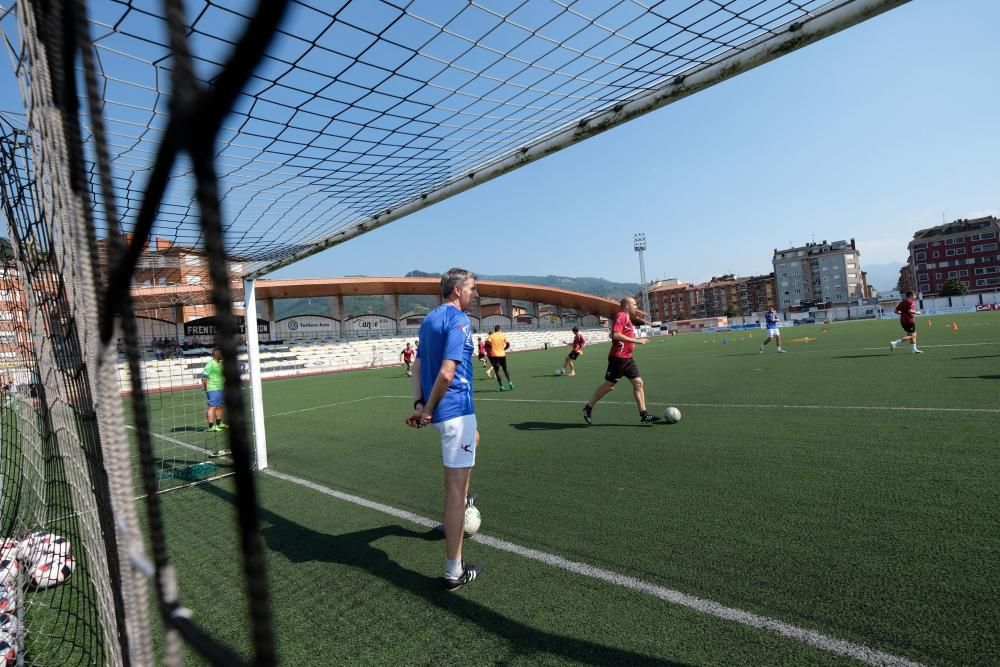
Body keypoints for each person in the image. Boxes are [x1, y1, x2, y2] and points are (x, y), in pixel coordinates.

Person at [405, 268, 483, 590]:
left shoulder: (429, 320)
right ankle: (454, 571)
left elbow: (419, 367)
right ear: (456, 291)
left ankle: (461, 503)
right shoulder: (459, 321)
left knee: (473, 444)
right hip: (455, 413)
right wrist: (431, 409)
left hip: (444, 415)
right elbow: (447, 372)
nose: (474, 294)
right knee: (454, 488)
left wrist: (420, 405)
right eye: (471, 288)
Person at [582, 297, 661, 425]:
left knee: (638, 383)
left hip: (627, 358)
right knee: (609, 386)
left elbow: (613, 334)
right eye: (634, 305)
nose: (636, 307)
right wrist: (637, 341)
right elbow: (616, 335)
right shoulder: (621, 316)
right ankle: (588, 408)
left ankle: (644, 415)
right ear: (627, 306)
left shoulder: (627, 318)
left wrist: (629, 340)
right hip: (618, 358)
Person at [202, 346, 227, 432]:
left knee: (220, 406)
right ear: (217, 354)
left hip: (221, 388)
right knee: (212, 407)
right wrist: (206, 387)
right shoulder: (210, 364)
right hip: (212, 388)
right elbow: (204, 377)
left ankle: (219, 423)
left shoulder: (220, 363)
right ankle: (211, 426)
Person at [486, 324, 513, 391]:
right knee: (505, 369)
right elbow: (508, 344)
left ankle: (501, 386)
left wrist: (492, 347)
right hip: (502, 355)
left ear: (494, 330)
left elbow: (487, 343)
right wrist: (504, 349)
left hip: (495, 355)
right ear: (500, 329)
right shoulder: (503, 335)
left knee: (497, 371)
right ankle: (510, 383)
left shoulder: (491, 336)